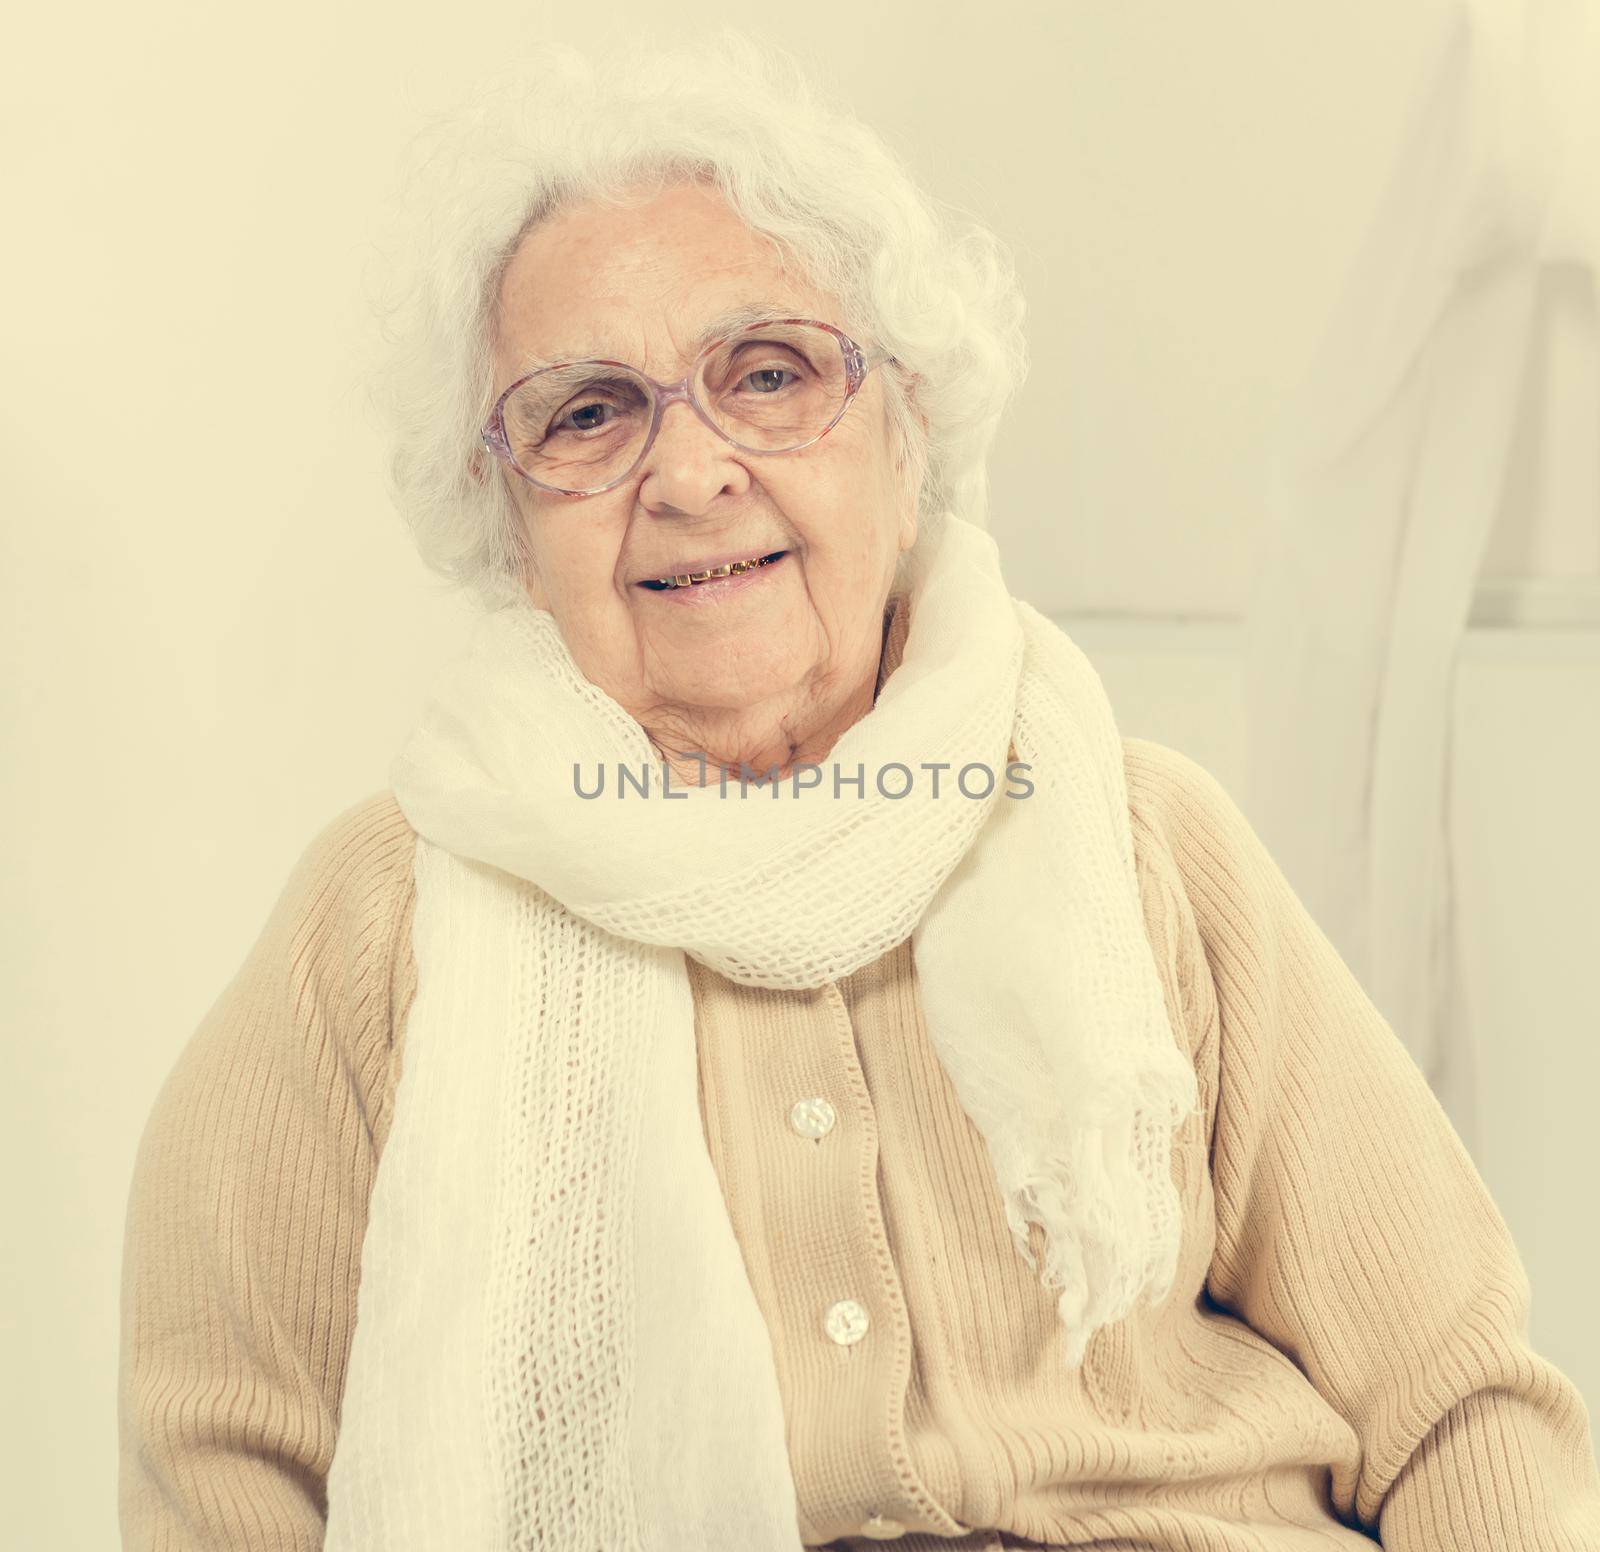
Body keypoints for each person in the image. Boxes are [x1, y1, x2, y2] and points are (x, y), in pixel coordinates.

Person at [117, 31, 1600, 1552]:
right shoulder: (375, 931)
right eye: (588, 414)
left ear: (909, 438)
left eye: (768, 375)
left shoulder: (1150, 844)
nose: (688, 474)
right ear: (504, 523)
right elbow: (223, 1481)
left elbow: (1460, 1406)